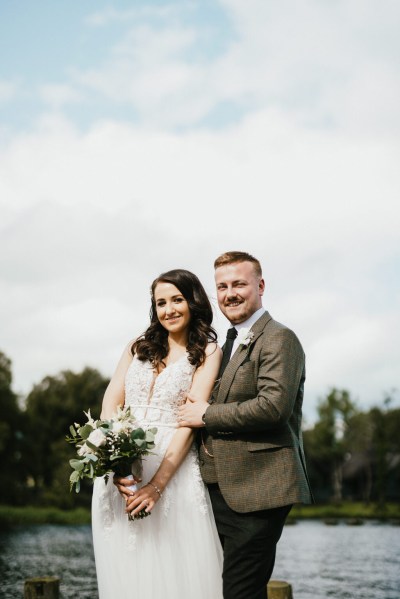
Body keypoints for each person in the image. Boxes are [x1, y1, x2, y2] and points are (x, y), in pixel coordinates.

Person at [178, 251, 313, 599]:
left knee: (241, 592)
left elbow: (273, 408)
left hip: (259, 490)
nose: (230, 293)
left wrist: (205, 415)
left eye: (239, 284)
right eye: (222, 286)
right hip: (216, 488)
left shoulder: (280, 338)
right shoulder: (226, 343)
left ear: (261, 285)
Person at [91, 269, 224, 599]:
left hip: (171, 465)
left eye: (177, 300)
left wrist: (156, 485)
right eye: (161, 303)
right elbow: (112, 397)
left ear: (193, 302)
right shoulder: (138, 345)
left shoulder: (208, 352)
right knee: (126, 562)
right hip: (124, 464)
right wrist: (111, 444)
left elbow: (191, 421)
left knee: (172, 565)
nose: (169, 310)